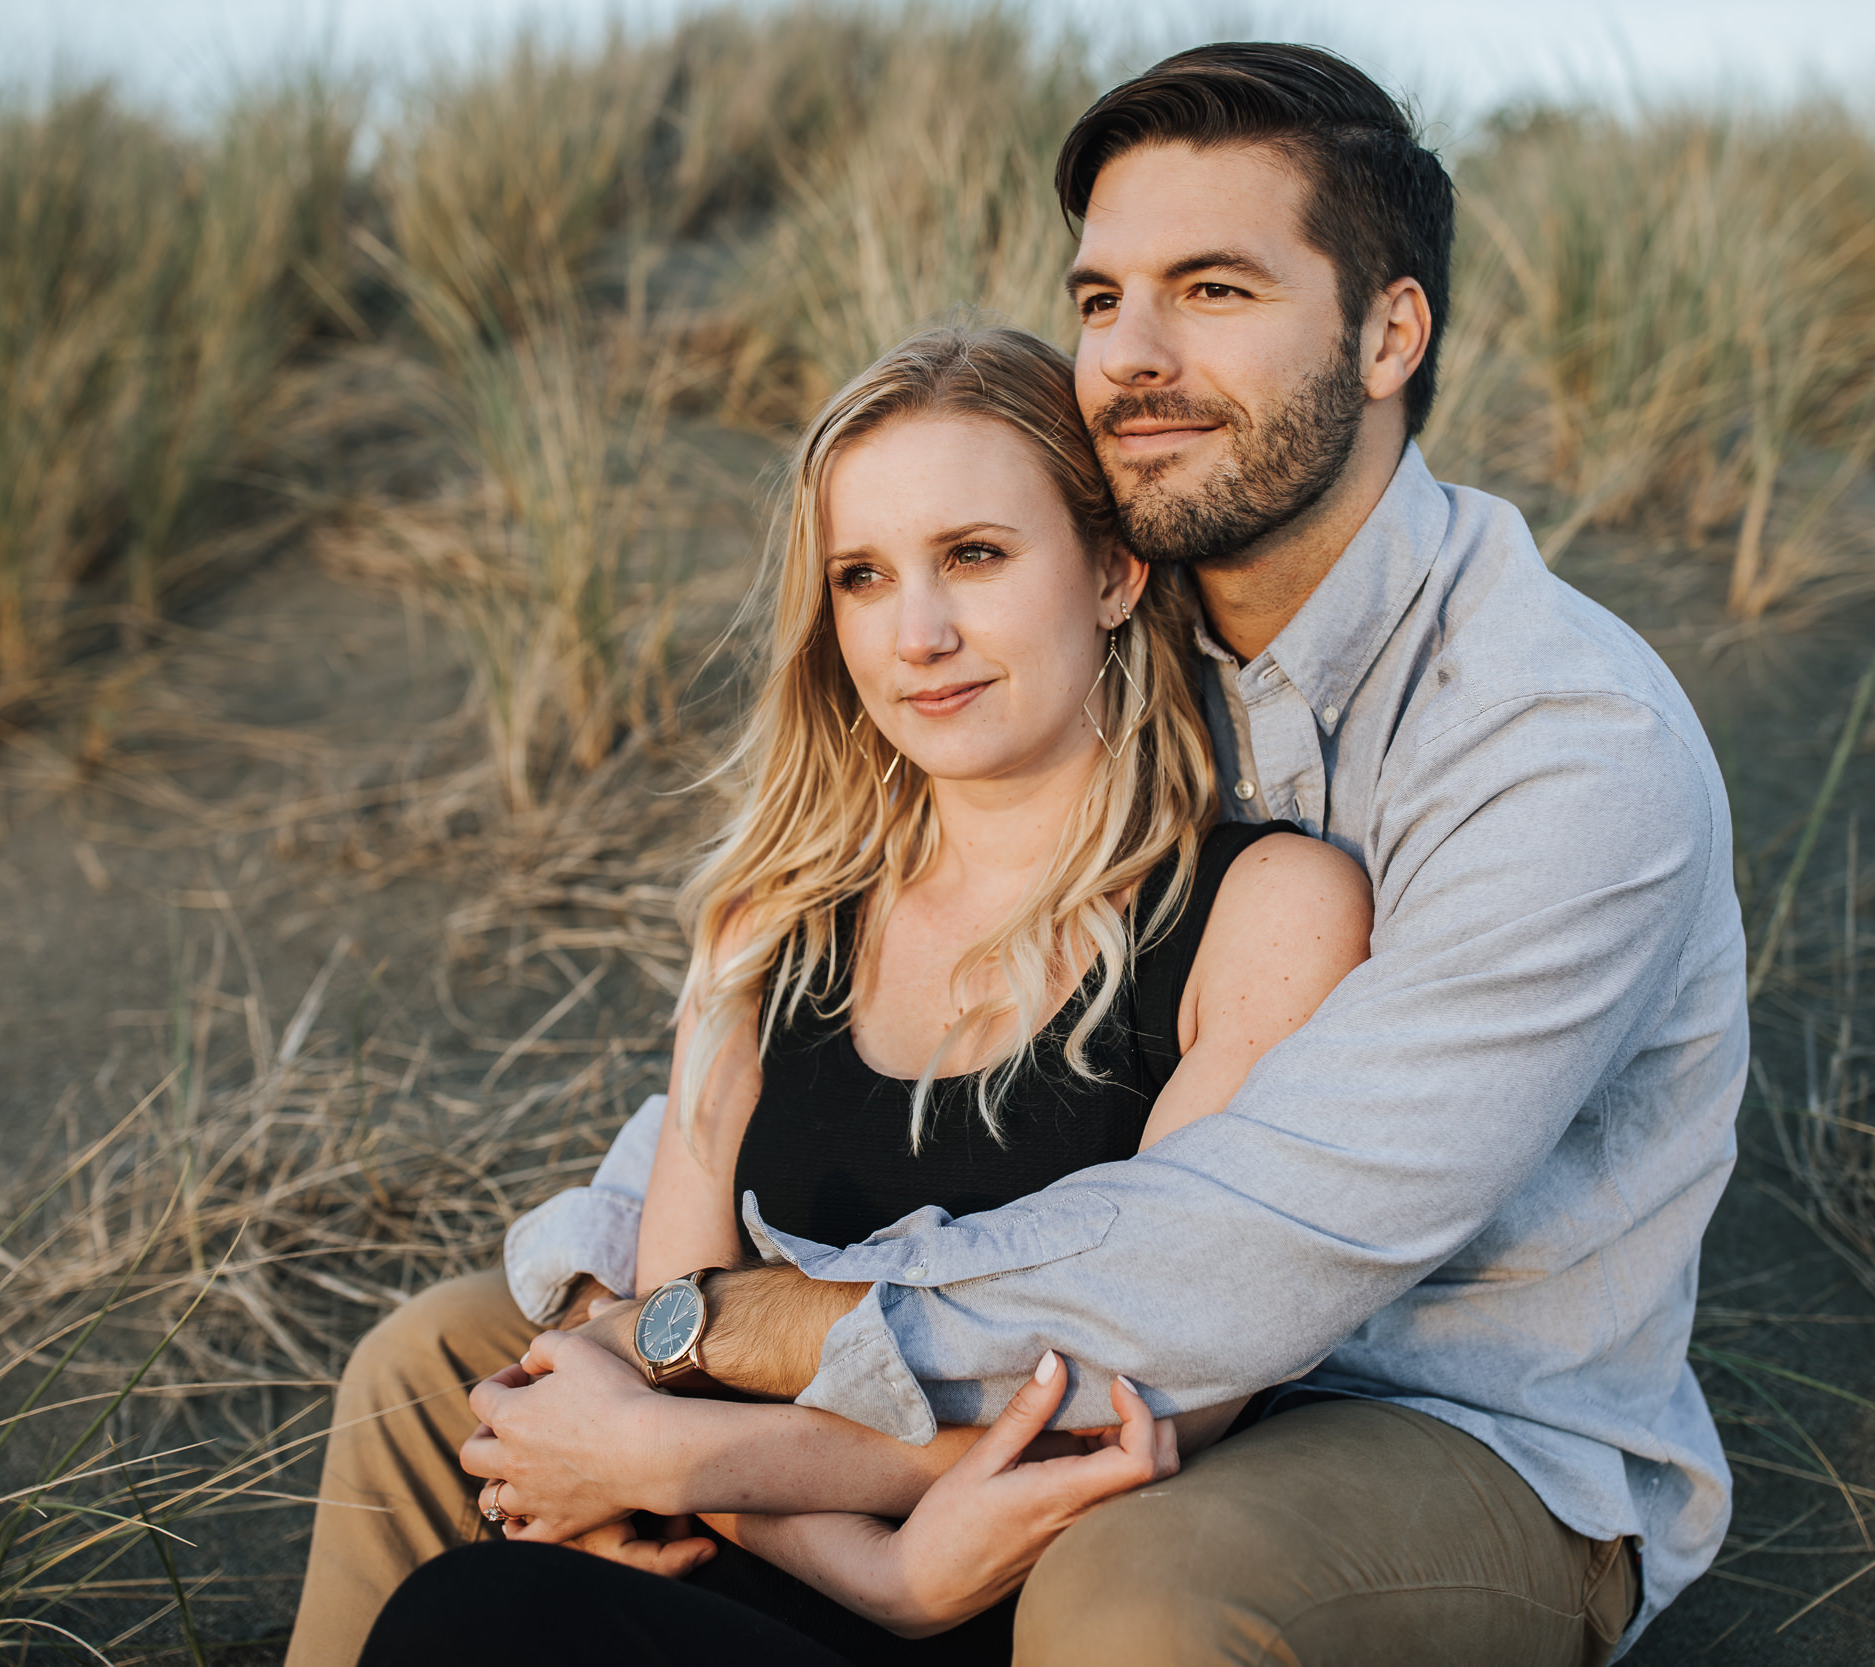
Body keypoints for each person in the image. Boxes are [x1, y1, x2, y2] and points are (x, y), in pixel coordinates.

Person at [322, 38, 1749, 1667]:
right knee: (442, 1373)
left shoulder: (1565, 750)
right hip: (1061, 1322)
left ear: (1388, 332)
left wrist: (703, 1366)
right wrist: (614, 1323)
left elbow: (1235, 1265)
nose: (1132, 357)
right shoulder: (1111, 616)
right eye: (1098, 298)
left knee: (1135, 1584)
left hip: (1435, 1415)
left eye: (1213, 292)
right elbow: (762, 1068)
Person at [289, 320, 1373, 1665]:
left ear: (1110, 568)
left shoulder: (1264, 914)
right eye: (864, 577)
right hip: (755, 1572)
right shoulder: (770, 926)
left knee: (483, 1618)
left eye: (974, 556)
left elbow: (1152, 1400)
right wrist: (863, 1559)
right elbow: (664, 1365)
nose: (918, 635)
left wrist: (725, 1490)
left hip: (1038, 1601)